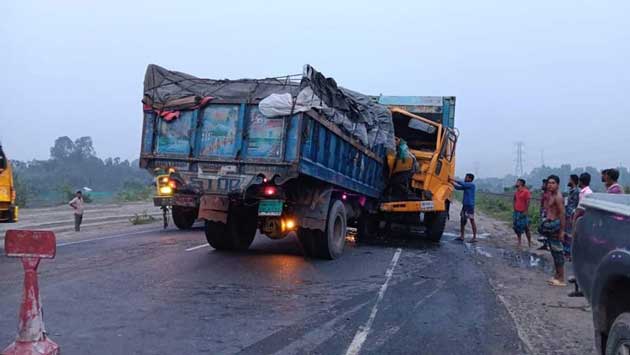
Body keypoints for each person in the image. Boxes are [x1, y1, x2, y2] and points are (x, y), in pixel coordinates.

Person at [539, 175, 566, 287]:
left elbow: (562, 214)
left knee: (558, 253)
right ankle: (557, 275)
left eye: (553, 183)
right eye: (549, 182)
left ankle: (561, 278)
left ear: (558, 184)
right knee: (554, 252)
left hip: (556, 226)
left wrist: (562, 231)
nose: (550, 185)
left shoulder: (558, 197)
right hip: (550, 225)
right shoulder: (551, 195)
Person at [451, 174, 477, 243]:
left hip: (469, 206)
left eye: (466, 177)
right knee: (462, 221)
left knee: (472, 220)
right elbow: (457, 187)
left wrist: (452, 179)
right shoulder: (466, 186)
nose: (465, 178)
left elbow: (461, 183)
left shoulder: (471, 185)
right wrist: (451, 182)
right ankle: (462, 236)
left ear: (470, 179)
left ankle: (474, 237)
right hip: (465, 206)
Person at [563, 174, 580, 259]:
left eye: (569, 179)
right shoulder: (571, 191)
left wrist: (572, 216)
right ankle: (566, 252)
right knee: (566, 233)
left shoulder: (576, 191)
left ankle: (569, 253)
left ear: (573, 180)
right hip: (567, 215)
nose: (568, 181)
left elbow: (576, 205)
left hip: (571, 216)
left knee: (570, 234)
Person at [512, 178, 532, 248]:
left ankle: (529, 242)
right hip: (516, 212)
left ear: (521, 183)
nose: (516, 183)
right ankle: (519, 241)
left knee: (526, 227)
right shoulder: (516, 192)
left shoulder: (526, 192)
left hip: (523, 212)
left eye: (517, 182)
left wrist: (526, 211)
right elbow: (514, 199)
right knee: (517, 227)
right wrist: (514, 207)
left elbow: (528, 201)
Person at [537, 179, 551, 250]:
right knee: (543, 227)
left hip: (547, 212)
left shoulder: (549, 194)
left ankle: (548, 244)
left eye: (543, 184)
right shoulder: (543, 193)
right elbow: (542, 203)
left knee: (547, 228)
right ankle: (545, 244)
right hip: (543, 211)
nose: (542, 186)